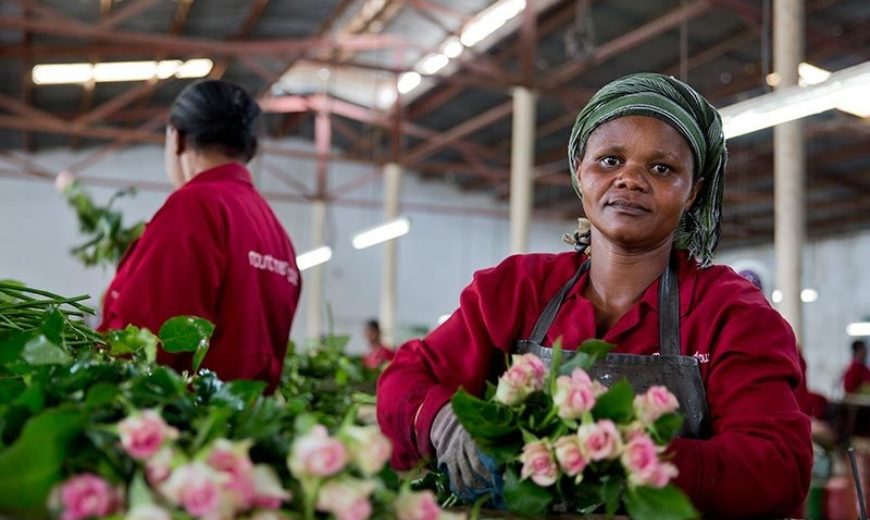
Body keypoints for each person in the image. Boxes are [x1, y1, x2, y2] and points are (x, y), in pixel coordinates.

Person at [377, 73, 811, 518]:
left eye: (662, 168)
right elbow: (405, 378)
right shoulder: (514, 289)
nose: (630, 180)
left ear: (692, 193)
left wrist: (616, 461)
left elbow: (777, 466)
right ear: (579, 172)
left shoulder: (731, 313)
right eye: (610, 160)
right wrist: (439, 421)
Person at [99, 80, 301, 392]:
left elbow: (144, 343)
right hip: (243, 426)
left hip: (182, 425)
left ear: (176, 138)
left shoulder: (194, 208)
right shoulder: (277, 234)